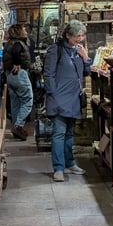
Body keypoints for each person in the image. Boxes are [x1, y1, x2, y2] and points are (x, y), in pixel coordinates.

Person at [43, 19, 91, 182]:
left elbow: (86, 73)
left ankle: (70, 163)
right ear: (68, 36)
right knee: (59, 133)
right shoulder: (55, 50)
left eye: (82, 35)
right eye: (77, 36)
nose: (80, 39)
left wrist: (86, 58)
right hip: (59, 98)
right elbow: (48, 74)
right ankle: (58, 168)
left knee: (70, 133)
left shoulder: (78, 51)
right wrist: (53, 94)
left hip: (73, 98)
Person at [3, 24, 33, 140]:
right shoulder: (18, 43)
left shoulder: (9, 43)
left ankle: (16, 127)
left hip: (9, 75)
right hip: (19, 74)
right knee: (28, 100)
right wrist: (17, 63)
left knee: (15, 103)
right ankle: (18, 125)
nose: (26, 31)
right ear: (19, 31)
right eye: (24, 29)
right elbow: (16, 51)